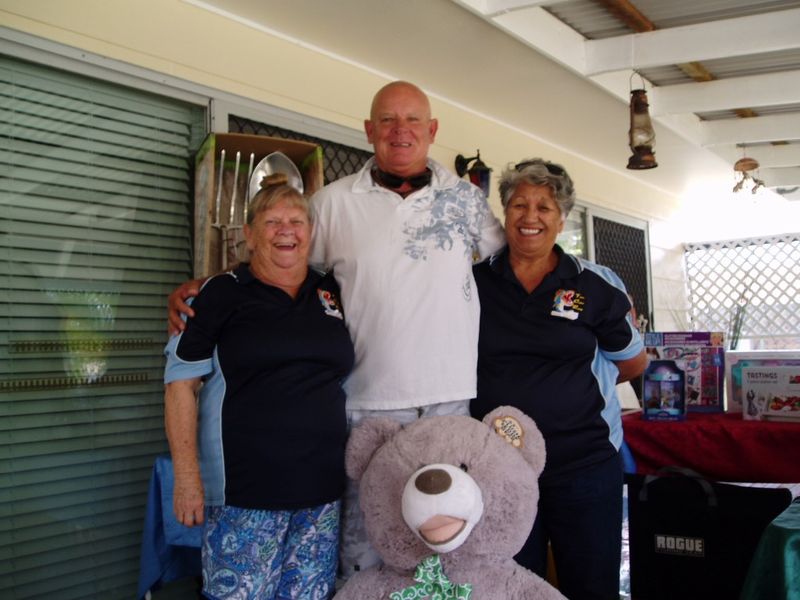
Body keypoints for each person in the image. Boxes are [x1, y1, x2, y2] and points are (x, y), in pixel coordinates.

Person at [169, 81, 506, 577]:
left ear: (432, 130)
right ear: (369, 130)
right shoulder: (329, 203)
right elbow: (285, 260)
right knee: (362, 548)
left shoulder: (468, 202)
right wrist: (207, 285)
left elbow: (515, 264)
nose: (400, 131)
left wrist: (596, 285)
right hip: (365, 404)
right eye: (387, 120)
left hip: (448, 400)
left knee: (445, 543)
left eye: (413, 120)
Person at [164, 173, 354, 599]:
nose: (286, 229)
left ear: (311, 233)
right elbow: (180, 386)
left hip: (321, 495)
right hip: (245, 497)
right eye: (271, 221)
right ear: (249, 235)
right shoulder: (218, 295)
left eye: (297, 220)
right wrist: (187, 478)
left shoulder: (331, 291)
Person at [470, 158, 647, 600]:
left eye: (544, 207)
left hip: (584, 464)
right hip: (501, 468)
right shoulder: (473, 283)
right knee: (512, 587)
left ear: (562, 218)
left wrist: (575, 393)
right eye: (519, 205)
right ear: (505, 213)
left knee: (591, 585)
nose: (530, 217)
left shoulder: (596, 285)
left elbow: (633, 362)